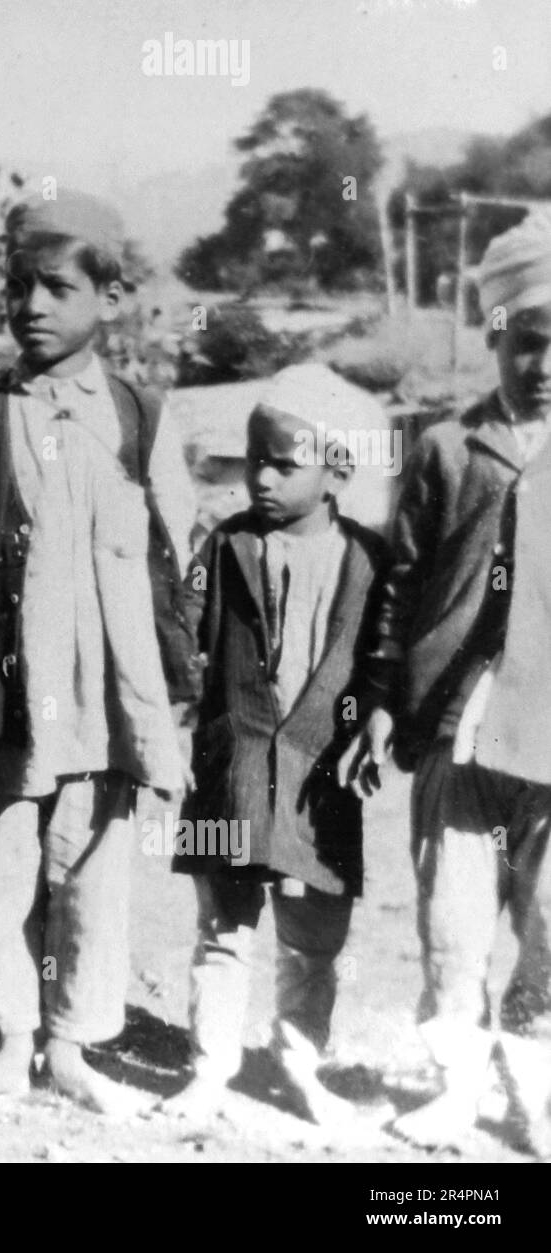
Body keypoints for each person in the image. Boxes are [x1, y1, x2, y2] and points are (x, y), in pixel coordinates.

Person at [0, 189, 188, 1115]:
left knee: (90, 868)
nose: (32, 305)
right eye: (18, 286)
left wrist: (169, 687)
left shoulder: (141, 418)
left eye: (59, 288)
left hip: (104, 696)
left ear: (110, 299)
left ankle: (72, 1044)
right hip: (2, 687)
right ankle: (10, 1037)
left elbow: (173, 563)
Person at [341, 213, 551, 1158]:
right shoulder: (446, 448)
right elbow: (400, 578)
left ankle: (538, 1090)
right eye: (529, 339)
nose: (545, 363)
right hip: (459, 717)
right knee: (453, 920)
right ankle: (455, 1089)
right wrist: (384, 694)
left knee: (548, 921)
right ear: (497, 333)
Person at [162, 365, 393, 1130]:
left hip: (318, 780)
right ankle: (209, 1070)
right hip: (227, 770)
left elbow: (385, 659)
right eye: (254, 457)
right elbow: (179, 636)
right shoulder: (223, 545)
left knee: (314, 939)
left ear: (338, 471)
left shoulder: (371, 561)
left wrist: (373, 724)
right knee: (221, 929)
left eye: (283, 463)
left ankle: (299, 1067)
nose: (260, 476)